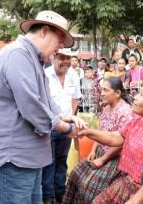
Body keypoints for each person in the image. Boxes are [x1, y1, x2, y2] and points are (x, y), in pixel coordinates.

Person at [0, 10, 86, 204]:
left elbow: (44, 99)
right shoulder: (17, 54)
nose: (60, 47)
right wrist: (66, 128)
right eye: (59, 40)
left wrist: (63, 116)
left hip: (28, 156)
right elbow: (31, 105)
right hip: (13, 157)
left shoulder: (34, 59)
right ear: (44, 31)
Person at [62, 77, 134, 204]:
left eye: (105, 90)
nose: (102, 93)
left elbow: (120, 143)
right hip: (101, 152)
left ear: (117, 93)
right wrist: (93, 151)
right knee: (75, 173)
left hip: (115, 158)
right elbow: (101, 132)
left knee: (89, 185)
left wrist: (102, 159)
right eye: (101, 90)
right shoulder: (106, 108)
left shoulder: (125, 112)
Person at [42, 50, 82, 204]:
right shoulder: (44, 75)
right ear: (53, 57)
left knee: (62, 161)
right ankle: (48, 198)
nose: (65, 61)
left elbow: (75, 98)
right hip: (50, 127)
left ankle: (61, 195)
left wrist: (70, 117)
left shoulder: (73, 75)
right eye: (62, 58)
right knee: (48, 163)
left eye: (68, 58)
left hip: (67, 128)